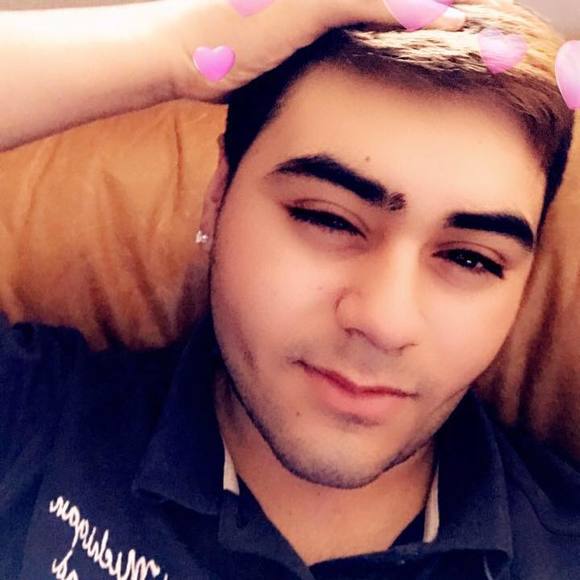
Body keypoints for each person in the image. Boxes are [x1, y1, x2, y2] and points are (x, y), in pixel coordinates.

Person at [0, 1, 579, 579]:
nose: (386, 322)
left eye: (470, 258)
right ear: (218, 196)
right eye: (328, 219)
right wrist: (180, 50)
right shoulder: (39, 423)